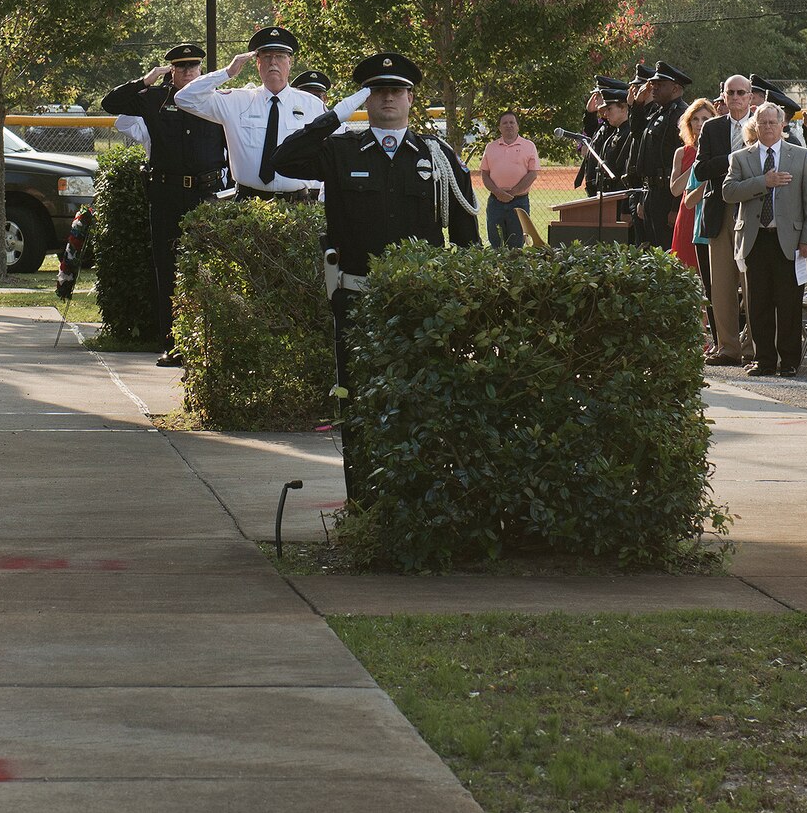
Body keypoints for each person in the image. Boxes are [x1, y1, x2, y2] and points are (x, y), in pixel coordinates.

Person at [263, 51, 479, 498]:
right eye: (377, 91)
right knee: (357, 398)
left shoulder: (437, 157)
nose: (387, 99)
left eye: (396, 90)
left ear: (411, 99)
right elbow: (283, 159)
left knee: (419, 396)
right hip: (357, 298)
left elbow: (466, 238)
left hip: (422, 303)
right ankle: (363, 500)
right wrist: (334, 114)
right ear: (366, 98)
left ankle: (414, 498)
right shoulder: (341, 150)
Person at [100, 43, 230, 365]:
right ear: (171, 70)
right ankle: (173, 344)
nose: (188, 72)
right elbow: (110, 103)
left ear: (201, 69)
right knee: (168, 268)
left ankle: (209, 344)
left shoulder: (217, 102)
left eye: (194, 67)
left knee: (210, 270)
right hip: (167, 196)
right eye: (181, 67)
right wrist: (145, 81)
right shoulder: (155, 99)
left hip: (207, 195)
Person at [721, 103, 807, 378]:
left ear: (782, 126)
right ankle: (764, 360)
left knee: (789, 302)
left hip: (789, 239)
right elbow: (728, 192)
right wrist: (763, 182)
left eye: (772, 123)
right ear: (756, 126)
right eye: (762, 122)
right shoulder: (741, 158)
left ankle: (789, 361)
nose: (767, 127)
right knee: (758, 303)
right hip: (755, 238)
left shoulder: (800, 156)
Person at [172, 25, 326, 200]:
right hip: (248, 203)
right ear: (257, 63)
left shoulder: (312, 105)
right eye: (267, 57)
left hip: (297, 204)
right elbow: (184, 98)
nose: (273, 62)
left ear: (290, 62)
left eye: (280, 57)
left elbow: (335, 149)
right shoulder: (237, 101)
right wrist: (227, 73)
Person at [694, 77, 753, 364]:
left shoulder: (763, 124)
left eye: (741, 92)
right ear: (724, 96)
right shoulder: (712, 127)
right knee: (721, 284)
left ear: (751, 96)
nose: (736, 97)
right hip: (720, 209)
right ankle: (728, 347)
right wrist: (732, 159)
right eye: (730, 92)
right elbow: (701, 169)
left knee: (752, 280)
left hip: (753, 210)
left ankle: (754, 347)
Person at [629, 60, 691, 247]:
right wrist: (638, 104)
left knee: (667, 248)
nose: (653, 88)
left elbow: (683, 163)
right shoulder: (658, 112)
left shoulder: (682, 115)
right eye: (653, 84)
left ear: (675, 88)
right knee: (652, 247)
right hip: (651, 191)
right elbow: (636, 132)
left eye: (659, 85)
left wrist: (675, 207)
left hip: (668, 194)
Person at [672, 98, 716, 307]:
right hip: (688, 216)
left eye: (705, 119)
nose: (700, 124)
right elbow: (675, 189)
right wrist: (698, 165)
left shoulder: (719, 151)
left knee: (710, 277)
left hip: (710, 214)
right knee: (687, 276)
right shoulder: (682, 153)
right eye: (696, 120)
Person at [480, 110, 541, 248]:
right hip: (495, 202)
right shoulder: (491, 147)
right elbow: (485, 174)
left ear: (518, 126)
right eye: (505, 123)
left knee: (516, 243)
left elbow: (532, 174)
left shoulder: (529, 146)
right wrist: (497, 192)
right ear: (499, 128)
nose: (509, 125)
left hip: (519, 201)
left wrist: (512, 193)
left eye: (512, 122)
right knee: (496, 241)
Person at [575, 80, 635, 197]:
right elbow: (592, 135)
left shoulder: (620, 128)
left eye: (598, 95)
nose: (596, 100)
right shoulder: (608, 126)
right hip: (601, 190)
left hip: (614, 193)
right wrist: (589, 114)